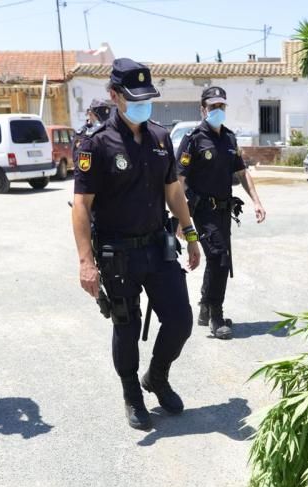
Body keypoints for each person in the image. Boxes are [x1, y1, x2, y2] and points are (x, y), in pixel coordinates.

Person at [71, 58, 202, 431]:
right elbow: (81, 206)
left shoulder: (161, 138)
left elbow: (174, 191)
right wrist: (85, 262)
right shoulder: (95, 144)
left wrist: (190, 234)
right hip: (117, 254)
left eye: (147, 98)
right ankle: (132, 391)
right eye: (134, 98)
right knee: (125, 327)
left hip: (158, 247)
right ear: (114, 96)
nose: (143, 105)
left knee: (179, 320)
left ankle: (156, 377)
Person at [175, 86, 266, 339]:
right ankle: (216, 315)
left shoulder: (229, 139)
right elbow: (179, 180)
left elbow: (241, 172)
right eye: (213, 107)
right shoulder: (193, 139)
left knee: (218, 260)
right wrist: (181, 220)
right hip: (202, 210)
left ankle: (205, 307)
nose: (218, 111)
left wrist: (257, 201)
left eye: (221, 106)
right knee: (219, 259)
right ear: (203, 109)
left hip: (225, 211)